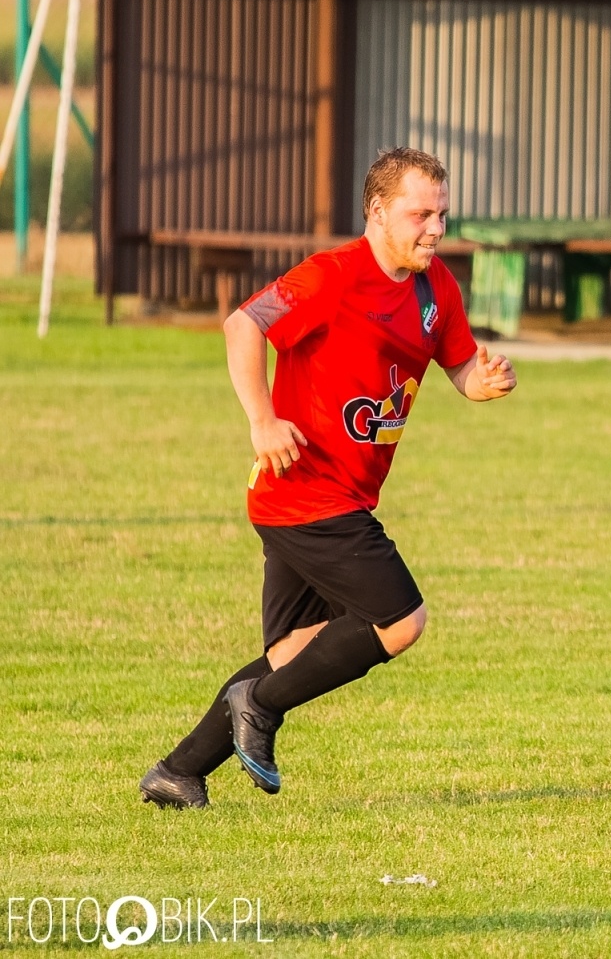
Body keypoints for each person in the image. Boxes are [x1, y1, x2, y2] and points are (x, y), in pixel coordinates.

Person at [138, 147, 518, 808]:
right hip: (305, 492)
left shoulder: (436, 289)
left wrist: (481, 383)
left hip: (335, 495)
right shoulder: (333, 276)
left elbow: (459, 367)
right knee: (400, 620)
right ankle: (258, 705)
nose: (435, 227)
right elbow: (242, 326)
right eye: (419, 213)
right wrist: (262, 418)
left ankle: (180, 770)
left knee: (294, 651)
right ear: (377, 211)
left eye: (442, 213)